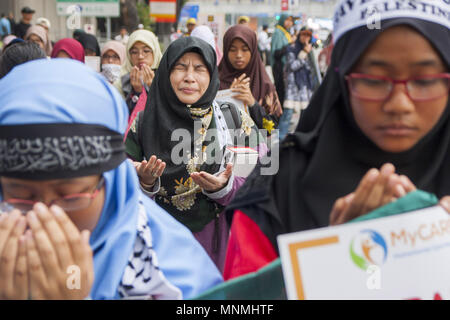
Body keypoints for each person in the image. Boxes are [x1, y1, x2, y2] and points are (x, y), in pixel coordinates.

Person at [223, 0, 450, 280]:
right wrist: (335, 265)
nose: (400, 104)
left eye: (426, 80)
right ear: (341, 78)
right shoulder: (276, 186)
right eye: (374, 79)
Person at [0, 58, 223, 300]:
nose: (44, 216)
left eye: (69, 195)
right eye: (21, 196)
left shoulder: (174, 277)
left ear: (112, 182)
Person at [125, 36, 264, 272]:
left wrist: (225, 187)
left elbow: (265, 175)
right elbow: (117, 182)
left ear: (212, 77)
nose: (189, 77)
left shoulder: (232, 118)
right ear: (166, 72)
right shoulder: (143, 122)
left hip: (217, 241)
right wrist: (144, 182)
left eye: (199, 69)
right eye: (180, 67)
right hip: (158, 241)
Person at [219, 25, 282, 134]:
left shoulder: (265, 85)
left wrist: (253, 104)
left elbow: (272, 129)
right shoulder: (212, 82)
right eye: (233, 49)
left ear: (253, 51)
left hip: (256, 149)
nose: (239, 55)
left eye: (244, 49)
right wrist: (227, 97)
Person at [278, 28, 320, 140]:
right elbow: (292, 66)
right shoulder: (292, 49)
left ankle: (300, 139)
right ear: (299, 35)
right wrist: (303, 53)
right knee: (287, 114)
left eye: (308, 35)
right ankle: (279, 140)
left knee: (304, 116)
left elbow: (312, 69)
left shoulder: (309, 49)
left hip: (305, 89)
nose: (305, 38)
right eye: (303, 35)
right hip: (293, 88)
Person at [114, 29, 162, 117]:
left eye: (146, 51)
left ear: (155, 52)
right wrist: (137, 93)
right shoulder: (120, 82)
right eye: (134, 52)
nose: (140, 56)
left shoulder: (166, 78)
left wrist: (153, 89)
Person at [271, 14, 295, 107]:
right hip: (279, 67)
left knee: (283, 92)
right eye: (287, 20)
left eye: (291, 20)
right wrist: (290, 45)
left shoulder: (285, 32)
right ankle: (278, 117)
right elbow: (276, 53)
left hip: (285, 67)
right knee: (280, 92)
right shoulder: (278, 32)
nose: (289, 22)